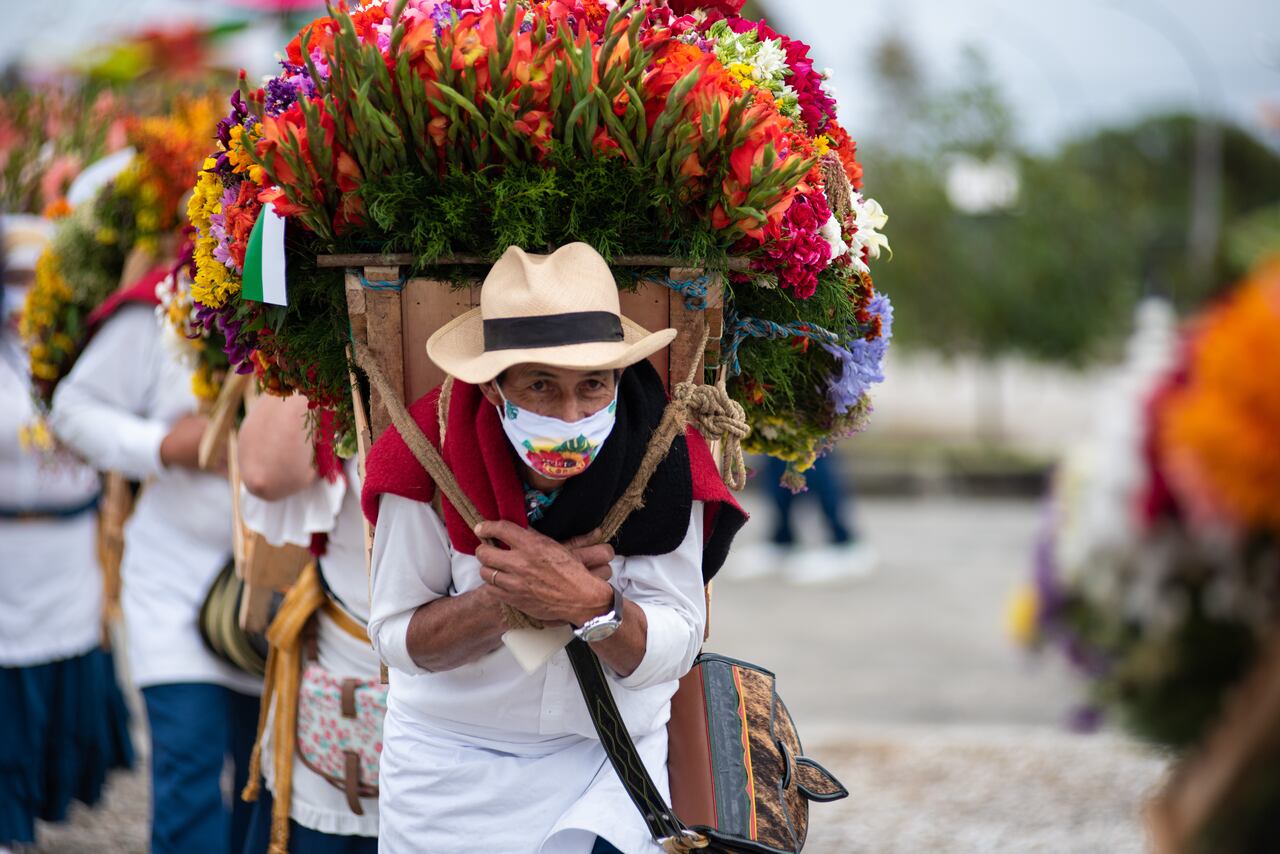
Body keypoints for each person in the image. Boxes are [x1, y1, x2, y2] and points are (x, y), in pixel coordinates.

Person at [363, 243, 745, 853]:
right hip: (452, 771)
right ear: (493, 388)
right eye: (541, 386)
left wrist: (592, 603)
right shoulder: (422, 454)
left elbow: (679, 639)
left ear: (618, 378)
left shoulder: (666, 457)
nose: (569, 415)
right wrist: (508, 600)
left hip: (613, 761)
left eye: (592, 386)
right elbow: (393, 638)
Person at [48, 255, 261, 854]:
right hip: (176, 581)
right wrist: (163, 445)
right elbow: (74, 410)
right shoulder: (167, 303)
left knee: (264, 785)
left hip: (279, 590)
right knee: (189, 771)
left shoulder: (311, 297)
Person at [0, 214, 133, 853]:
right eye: (14, 277)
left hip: (70, 557)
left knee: (60, 686)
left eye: (36, 278)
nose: (23, 294)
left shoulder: (82, 350)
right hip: (6, 560)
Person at [236, 394, 381, 854]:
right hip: (349, 673)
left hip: (489, 716)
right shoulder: (342, 348)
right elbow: (263, 472)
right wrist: (325, 322)